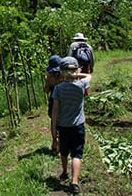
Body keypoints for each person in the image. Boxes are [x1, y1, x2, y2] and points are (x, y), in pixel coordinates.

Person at [51, 56, 92, 194]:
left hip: (63, 126)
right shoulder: (81, 85)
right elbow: (89, 75)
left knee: (64, 151)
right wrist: (76, 73)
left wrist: (53, 128)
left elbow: (55, 111)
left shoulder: (58, 89)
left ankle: (64, 172)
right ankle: (74, 182)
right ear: (76, 70)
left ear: (61, 72)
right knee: (77, 154)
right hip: (78, 126)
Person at [44, 55, 62, 151]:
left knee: (54, 123)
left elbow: (46, 90)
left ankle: (56, 142)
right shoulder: (64, 76)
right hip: (64, 101)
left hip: (53, 102)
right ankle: (57, 143)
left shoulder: (50, 77)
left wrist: (48, 81)